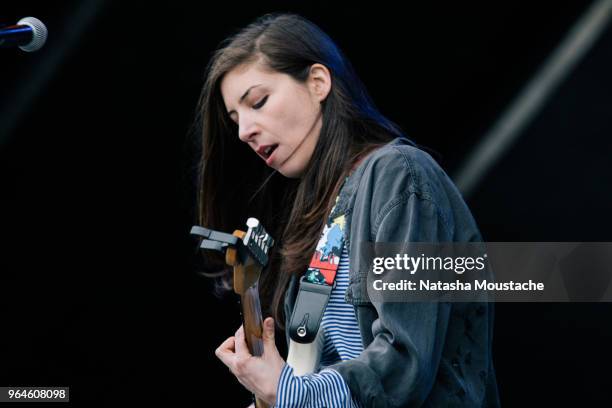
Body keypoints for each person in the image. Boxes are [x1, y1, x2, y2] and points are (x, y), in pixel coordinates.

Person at [195, 12, 500, 407]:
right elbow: (316, 375)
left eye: (259, 102)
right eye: (235, 119)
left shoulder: (398, 175)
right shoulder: (321, 221)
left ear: (318, 82)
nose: (244, 131)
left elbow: (405, 360)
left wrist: (289, 391)